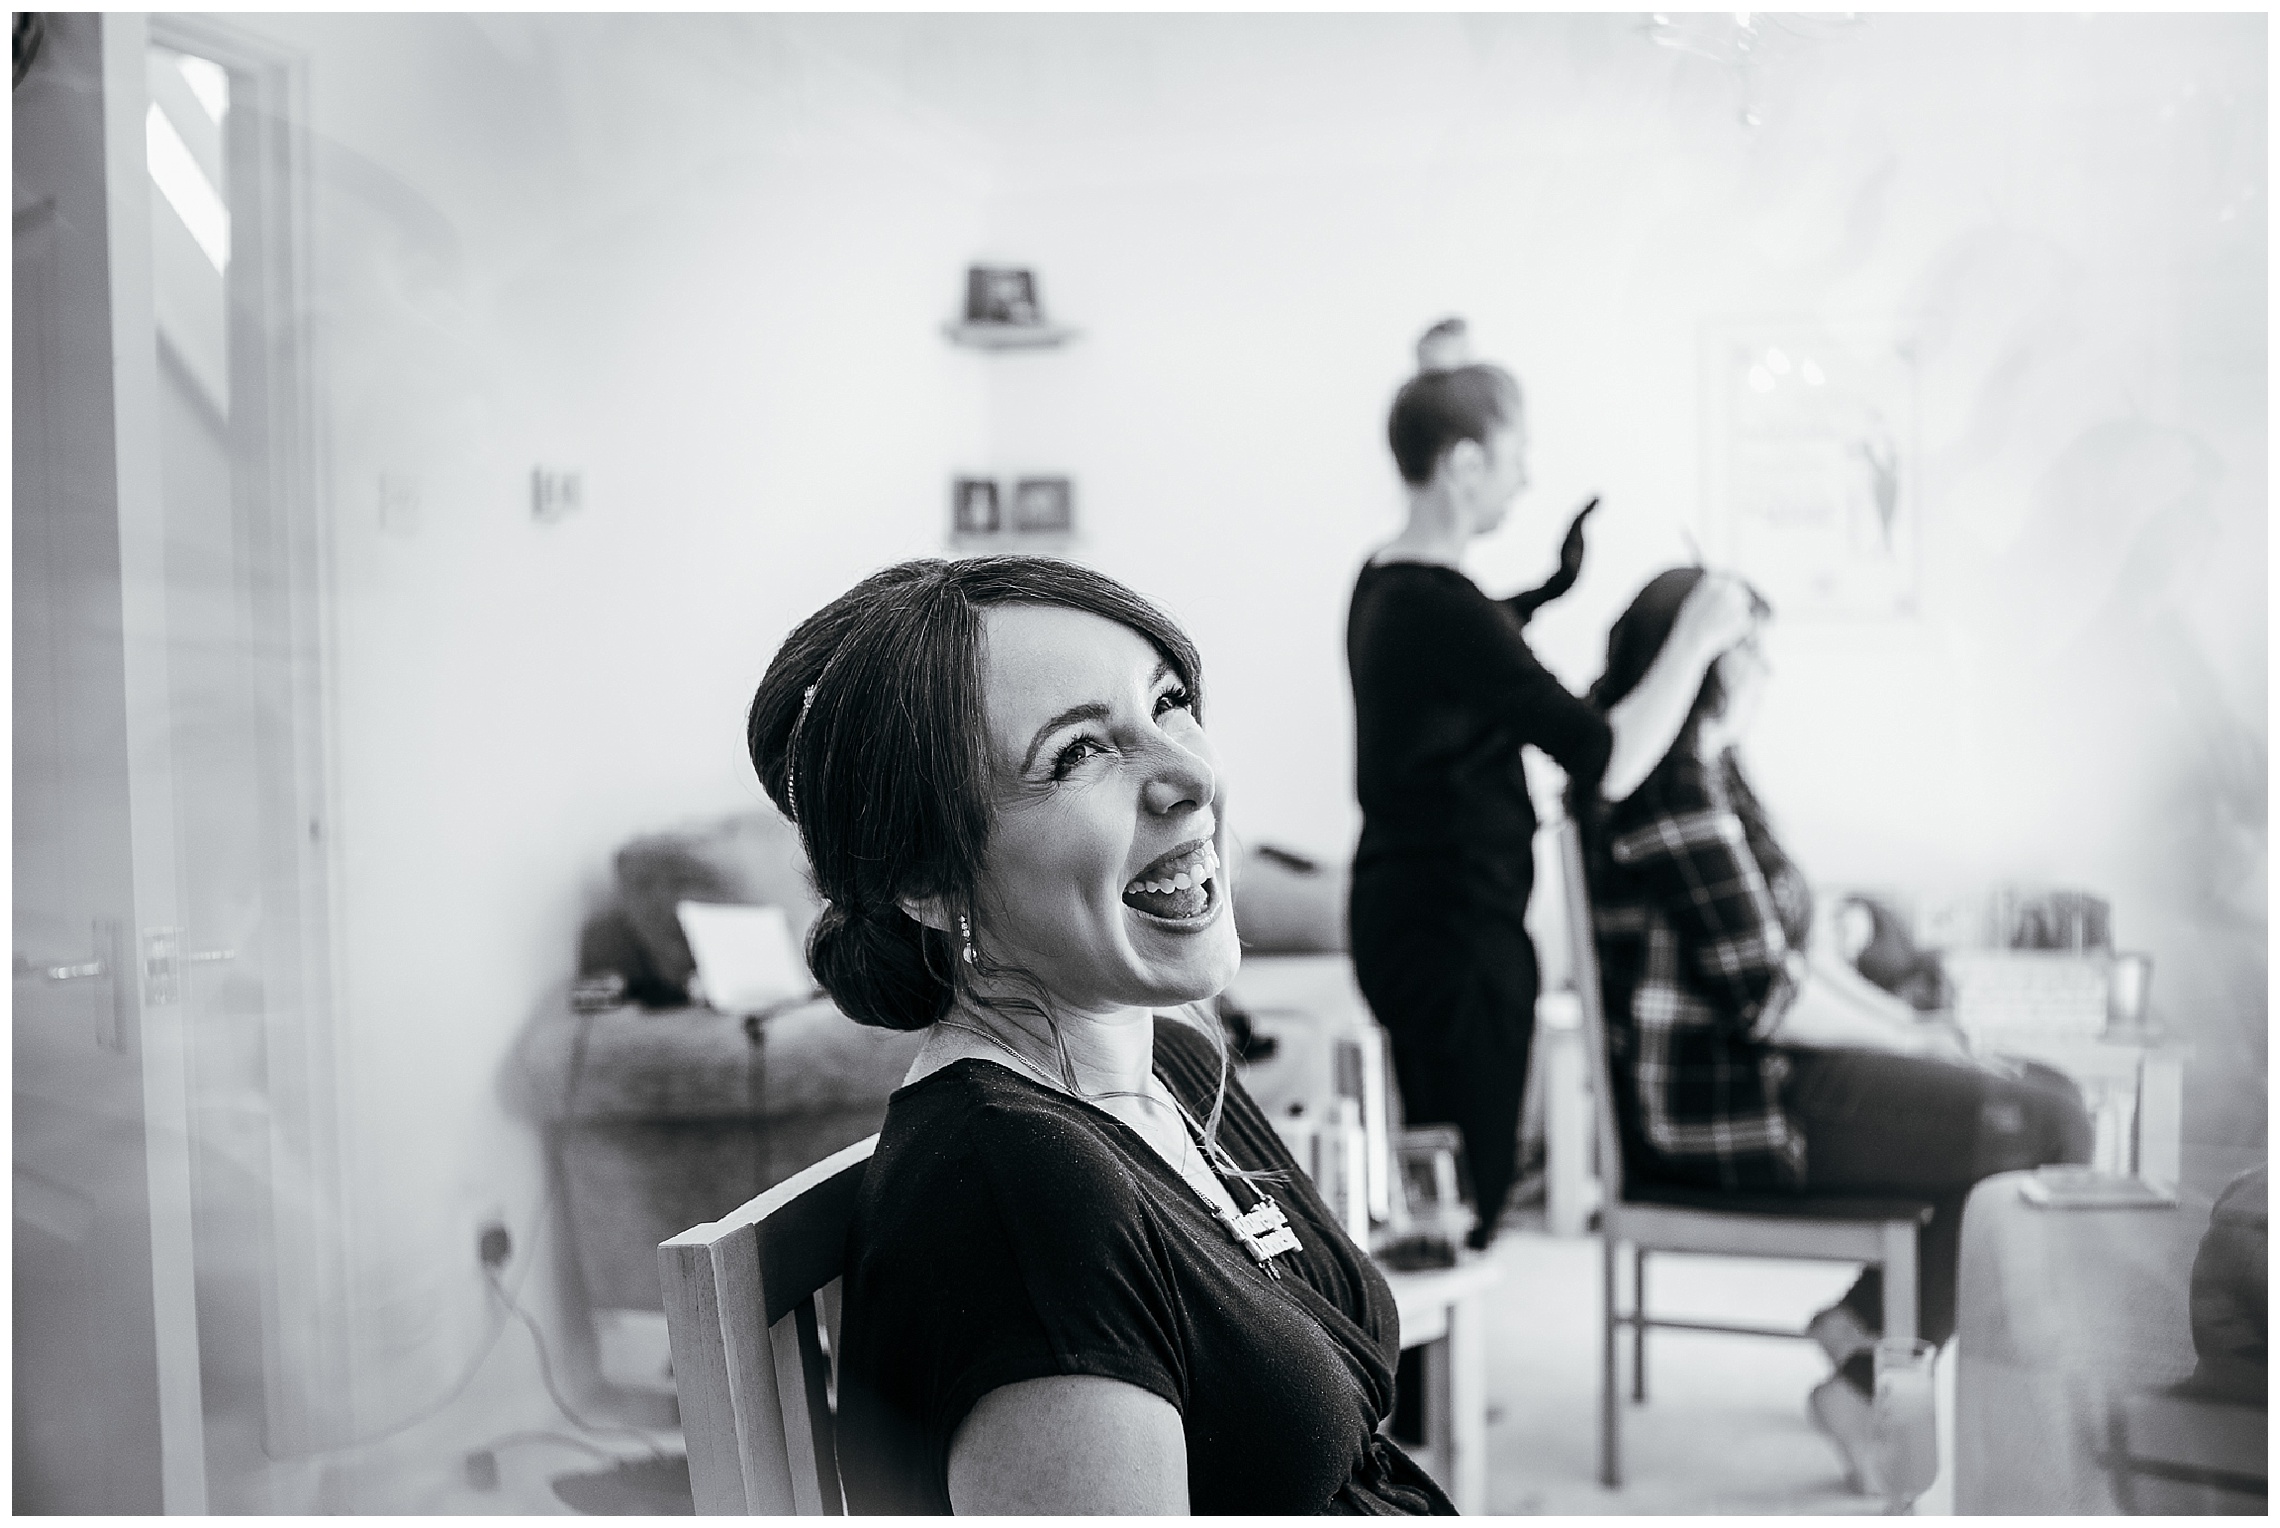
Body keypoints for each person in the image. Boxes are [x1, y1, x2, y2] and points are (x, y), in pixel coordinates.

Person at [746, 556, 1455, 1514]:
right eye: (1076, 753)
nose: (1192, 778)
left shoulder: (1171, 1058)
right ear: (925, 874)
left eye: (1168, 703)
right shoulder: (1021, 1200)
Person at [1575, 566, 2095, 1494]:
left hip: (1777, 1077)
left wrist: (1917, 1027)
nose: (1768, 669)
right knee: (2046, 1129)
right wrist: (1909, 1044)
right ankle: (1878, 1374)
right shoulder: (1663, 786)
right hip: (1736, 1107)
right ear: (1711, 660)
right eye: (1754, 648)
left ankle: (1868, 1340)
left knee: (2049, 1095)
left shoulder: (1717, 775)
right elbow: (1771, 1000)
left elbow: (1799, 959)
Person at [1347, 353, 1758, 1250]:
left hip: (1413, 920)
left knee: (1436, 1180)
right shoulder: (1441, 609)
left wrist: (1548, 589)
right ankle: (1432, 1383)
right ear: (1463, 465)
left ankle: (1431, 1382)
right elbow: (1606, 758)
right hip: (1453, 936)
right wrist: (1696, 639)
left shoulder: (1386, 584)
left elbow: (1463, 644)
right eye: (1514, 455)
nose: (1525, 477)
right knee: (1465, 1202)